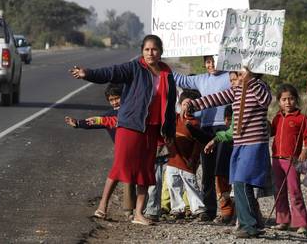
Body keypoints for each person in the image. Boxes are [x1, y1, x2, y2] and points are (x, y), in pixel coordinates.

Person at [69, 34, 176, 226]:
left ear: (161, 52)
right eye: (147, 49)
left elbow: (170, 105)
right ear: (142, 52)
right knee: (120, 166)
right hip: (130, 125)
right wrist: (89, 74)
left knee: (145, 172)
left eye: (154, 49)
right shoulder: (135, 68)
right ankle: (102, 207)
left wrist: (168, 132)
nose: (150, 53)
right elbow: (111, 72)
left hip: (152, 129)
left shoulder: (167, 74)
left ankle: (138, 214)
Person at [182, 68, 272, 238]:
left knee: (241, 182)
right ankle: (255, 223)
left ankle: (248, 225)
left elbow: (266, 100)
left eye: (238, 75)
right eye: (235, 76)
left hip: (254, 143)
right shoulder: (236, 91)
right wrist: (192, 104)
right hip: (240, 143)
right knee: (239, 182)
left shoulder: (259, 86)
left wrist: (250, 80)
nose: (235, 80)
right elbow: (215, 98)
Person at [64, 83, 137, 219]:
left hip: (136, 149)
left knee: (130, 179)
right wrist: (78, 123)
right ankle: (107, 207)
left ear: (124, 97)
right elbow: (96, 121)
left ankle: (130, 210)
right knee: (119, 176)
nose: (114, 102)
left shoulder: (131, 111)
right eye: (111, 100)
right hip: (121, 152)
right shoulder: (110, 115)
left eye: (117, 98)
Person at [173, 57, 232, 221]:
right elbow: (180, 79)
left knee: (222, 171)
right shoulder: (200, 79)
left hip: (226, 128)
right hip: (206, 128)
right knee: (207, 171)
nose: (211, 64)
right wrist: (160, 67)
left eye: (215, 60)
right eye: (208, 61)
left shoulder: (231, 76)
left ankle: (227, 210)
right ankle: (210, 209)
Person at [270, 84, 307, 234]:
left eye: (291, 99)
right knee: (278, 190)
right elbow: (270, 132)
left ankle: (301, 223)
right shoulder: (277, 118)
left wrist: (304, 152)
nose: (288, 102)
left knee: (294, 190)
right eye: (284, 99)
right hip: (276, 159)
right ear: (279, 101)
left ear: (296, 100)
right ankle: (283, 220)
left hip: (292, 160)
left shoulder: (302, 118)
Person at [165, 90, 207, 219]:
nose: (187, 107)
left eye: (191, 105)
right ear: (179, 104)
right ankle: (177, 209)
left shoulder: (195, 124)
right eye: (185, 104)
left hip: (187, 162)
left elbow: (198, 144)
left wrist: (193, 159)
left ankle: (199, 209)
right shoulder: (174, 120)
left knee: (191, 185)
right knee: (173, 184)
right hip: (172, 160)